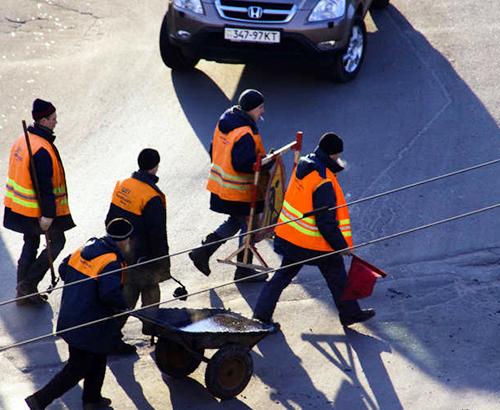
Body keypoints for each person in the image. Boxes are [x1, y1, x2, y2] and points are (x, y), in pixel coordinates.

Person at [253, 133, 375, 329]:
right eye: (337, 156)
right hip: (313, 243)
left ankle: (261, 315)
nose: (338, 159)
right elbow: (325, 221)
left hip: (292, 237)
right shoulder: (323, 180)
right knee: (337, 275)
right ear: (333, 155)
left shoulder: (305, 164)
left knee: (281, 277)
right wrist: (341, 247)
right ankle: (350, 314)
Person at [25, 218, 134, 410]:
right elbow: (109, 293)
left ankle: (92, 400)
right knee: (77, 368)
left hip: (72, 316)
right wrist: (123, 306)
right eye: (128, 240)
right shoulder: (111, 261)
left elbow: (64, 269)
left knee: (99, 356)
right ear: (122, 241)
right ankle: (39, 400)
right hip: (88, 324)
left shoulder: (86, 247)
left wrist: (82, 290)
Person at [188, 89, 268, 282]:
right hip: (239, 190)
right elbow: (244, 164)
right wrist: (267, 163)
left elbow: (213, 148)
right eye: (260, 108)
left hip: (223, 187)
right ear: (249, 109)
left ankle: (203, 252)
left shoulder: (226, 120)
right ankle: (243, 270)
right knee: (248, 225)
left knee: (236, 221)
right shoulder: (244, 133)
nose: (263, 112)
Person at [4, 98, 75, 305]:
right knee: (58, 242)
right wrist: (48, 216)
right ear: (43, 120)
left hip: (21, 206)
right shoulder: (41, 149)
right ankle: (28, 285)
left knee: (30, 243)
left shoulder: (24, 140)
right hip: (37, 210)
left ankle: (23, 292)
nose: (56, 122)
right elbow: (46, 188)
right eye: (53, 118)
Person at [106, 148, 170, 353]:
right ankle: (146, 329)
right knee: (146, 290)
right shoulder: (152, 196)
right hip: (143, 256)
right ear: (155, 166)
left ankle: (113, 332)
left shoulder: (123, 184)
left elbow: (109, 219)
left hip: (120, 249)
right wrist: (162, 263)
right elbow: (157, 234)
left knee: (126, 289)